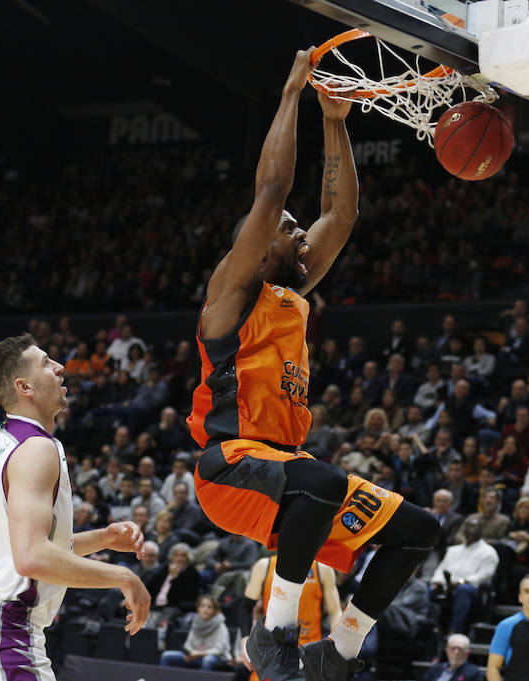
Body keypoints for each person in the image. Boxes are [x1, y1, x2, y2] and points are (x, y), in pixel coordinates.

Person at [186, 49, 439, 681]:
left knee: (418, 529)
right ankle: (273, 635)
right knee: (321, 480)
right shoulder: (230, 296)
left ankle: (340, 649)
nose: (303, 238)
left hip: (293, 482)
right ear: (257, 240)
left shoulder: (291, 295)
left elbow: (343, 215)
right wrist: (292, 91)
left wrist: (335, 121)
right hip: (231, 467)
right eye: (291, 231)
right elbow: (272, 192)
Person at [0, 334, 152, 681]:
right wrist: (123, 577)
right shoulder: (36, 449)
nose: (60, 367)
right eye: (46, 362)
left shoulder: (9, 437)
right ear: (25, 386)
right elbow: (32, 558)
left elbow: (18, 548)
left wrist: (103, 538)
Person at [242, 553, 343, 681]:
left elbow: (335, 611)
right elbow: (245, 606)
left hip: (308, 654)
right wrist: (244, 639)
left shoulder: (322, 568)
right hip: (271, 653)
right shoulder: (264, 565)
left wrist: (335, 646)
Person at [432, 517, 499, 634]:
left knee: (463, 590)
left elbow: (485, 575)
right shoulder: (453, 550)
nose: (471, 530)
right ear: (463, 529)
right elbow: (440, 570)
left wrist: (462, 582)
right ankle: (430, 628)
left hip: (473, 591)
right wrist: (438, 582)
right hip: (448, 587)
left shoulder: (489, 552)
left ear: (481, 530)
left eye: (475, 527)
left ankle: (454, 629)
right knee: (428, 591)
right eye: (468, 527)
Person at [160, 595, 232, 671]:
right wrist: (189, 654)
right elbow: (188, 645)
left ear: (215, 611)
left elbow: (220, 649)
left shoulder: (221, 625)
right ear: (198, 609)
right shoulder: (196, 623)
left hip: (217, 657)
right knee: (166, 656)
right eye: (202, 606)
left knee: (207, 660)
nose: (205, 609)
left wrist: (200, 653)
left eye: (209, 607)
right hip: (196, 657)